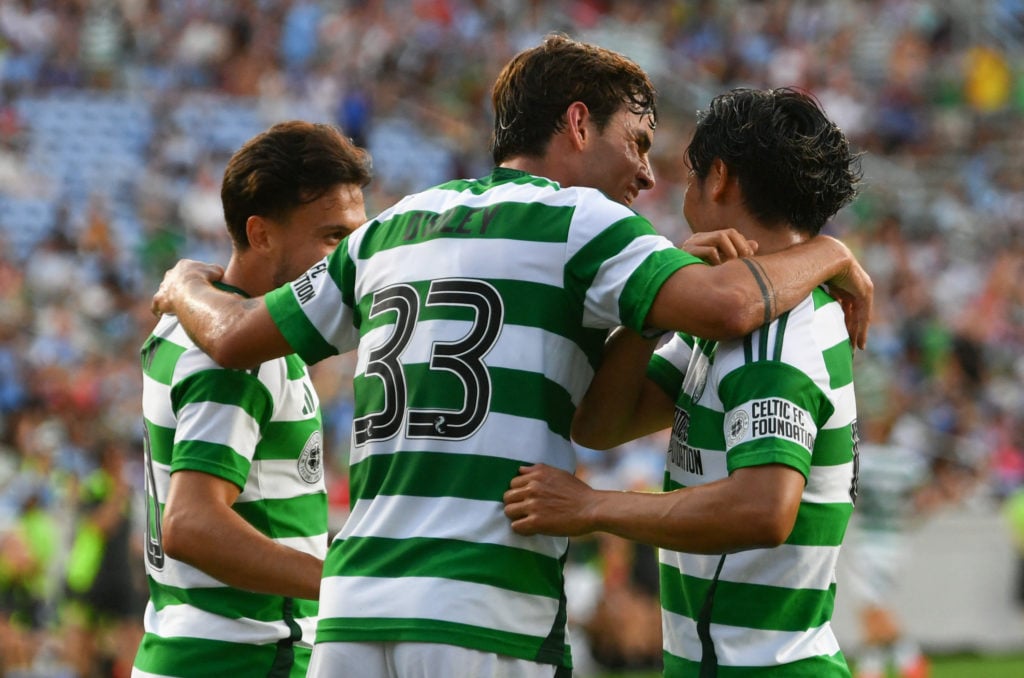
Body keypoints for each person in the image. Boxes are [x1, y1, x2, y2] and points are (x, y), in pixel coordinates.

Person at [149, 36, 872, 677]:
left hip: (352, 612)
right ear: (580, 123)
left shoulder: (392, 225)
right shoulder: (584, 221)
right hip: (485, 611)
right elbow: (727, 306)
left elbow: (233, 335)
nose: (648, 176)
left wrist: (185, 281)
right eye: (639, 142)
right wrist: (831, 250)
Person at [504, 87, 864, 677]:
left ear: (719, 178)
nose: (674, 189)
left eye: (691, 173)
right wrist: (657, 303)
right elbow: (601, 424)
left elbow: (762, 510)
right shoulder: (721, 326)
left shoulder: (775, 336)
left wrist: (592, 507)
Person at [132, 120, 372, 678]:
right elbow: (190, 524)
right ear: (261, 233)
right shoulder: (238, 356)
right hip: (241, 655)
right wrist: (346, 583)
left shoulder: (198, 324)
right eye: (334, 237)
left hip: (190, 648)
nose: (350, 260)